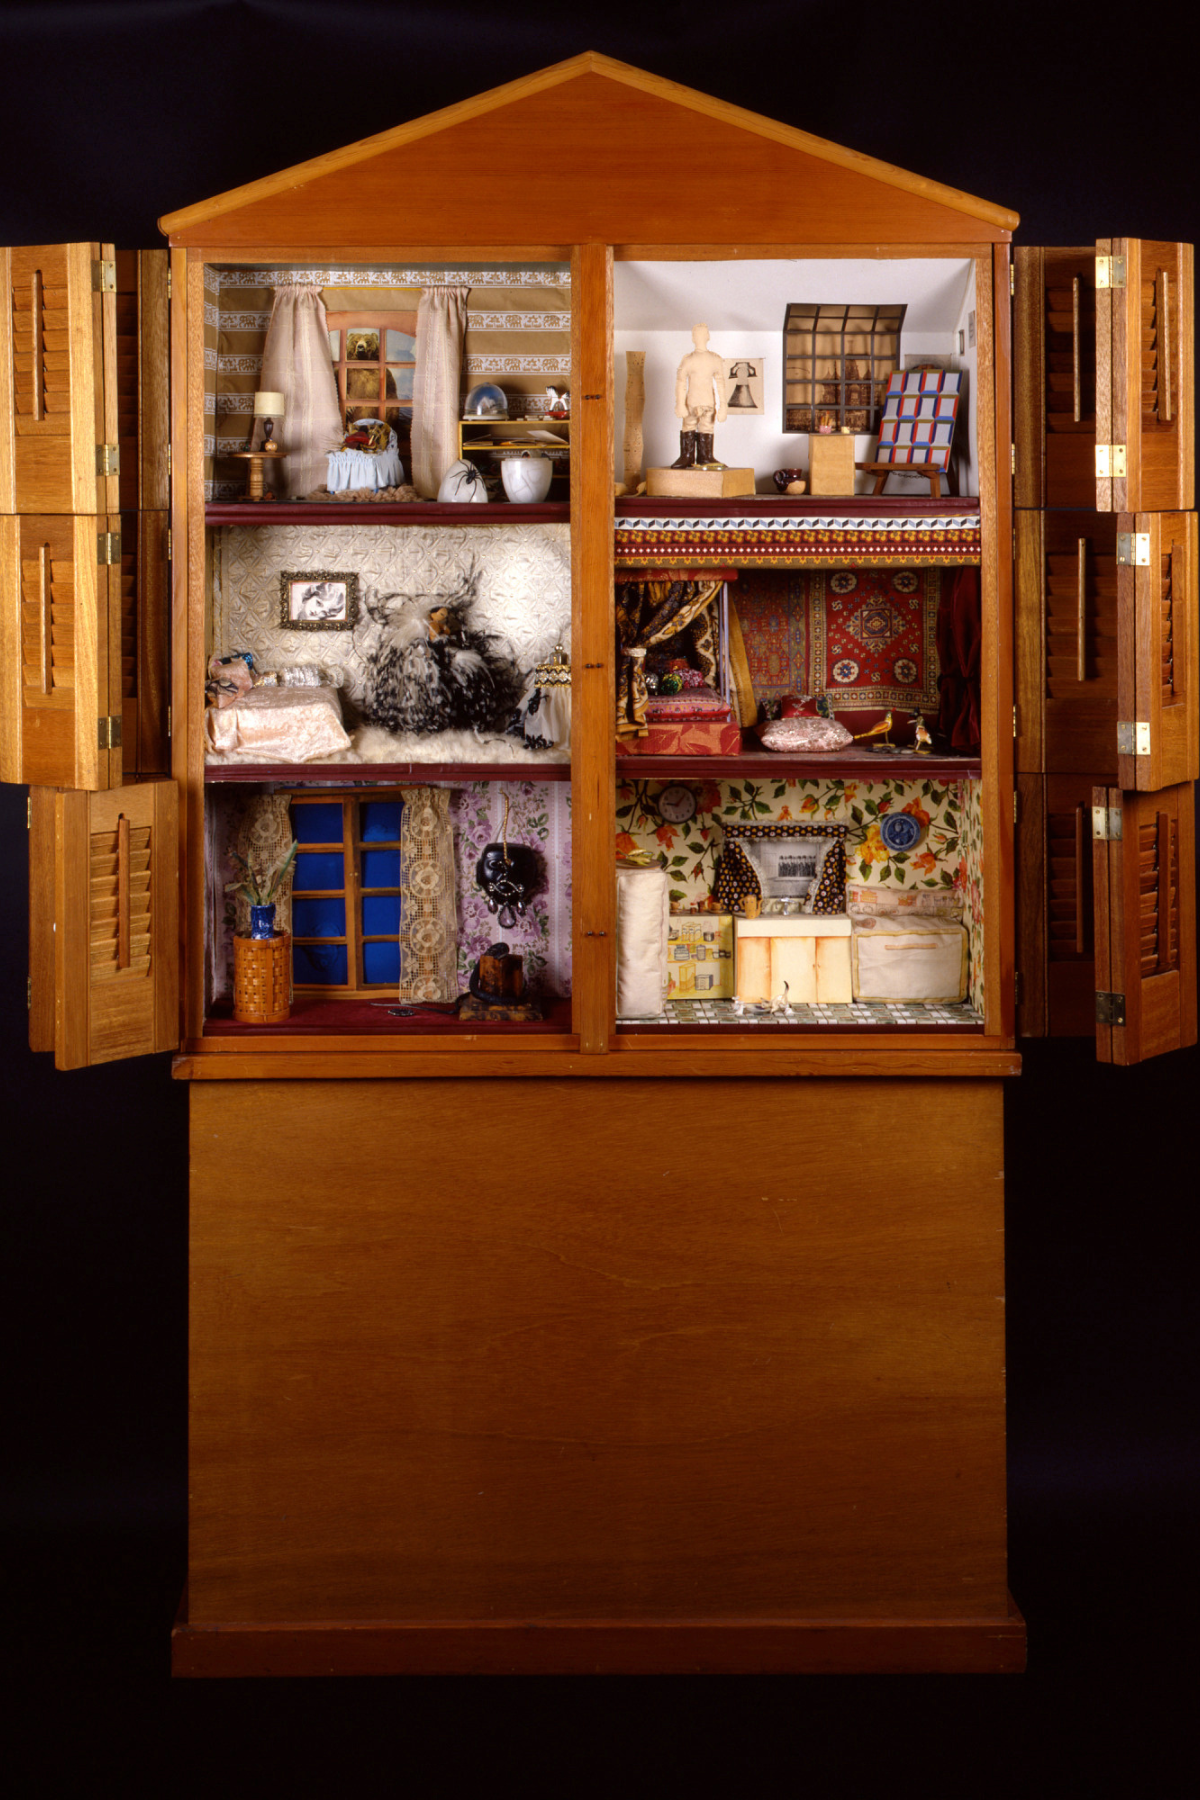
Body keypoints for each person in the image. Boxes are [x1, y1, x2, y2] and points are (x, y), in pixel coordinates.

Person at [671, 323, 728, 469]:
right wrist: (680, 404)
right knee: (688, 425)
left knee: (707, 427)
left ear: (708, 336)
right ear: (692, 338)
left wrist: (723, 406)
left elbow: (721, 383)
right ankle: (687, 456)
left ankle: (705, 456)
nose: (700, 337)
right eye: (696, 335)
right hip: (691, 402)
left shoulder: (715, 359)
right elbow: (680, 382)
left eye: (703, 334)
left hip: (708, 402)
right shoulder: (688, 359)